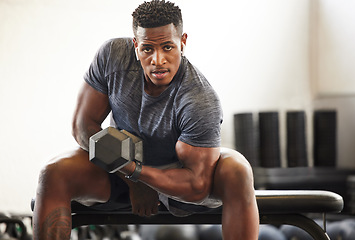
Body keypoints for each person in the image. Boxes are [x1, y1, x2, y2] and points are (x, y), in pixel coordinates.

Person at [32, 0, 259, 239]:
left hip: (179, 178)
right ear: (135, 45)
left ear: (183, 43)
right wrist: (133, 179)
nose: (158, 60)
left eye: (168, 47)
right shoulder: (113, 57)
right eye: (148, 48)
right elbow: (82, 127)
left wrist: (138, 173)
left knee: (238, 170)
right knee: (53, 172)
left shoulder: (199, 98)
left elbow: (197, 185)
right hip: (120, 166)